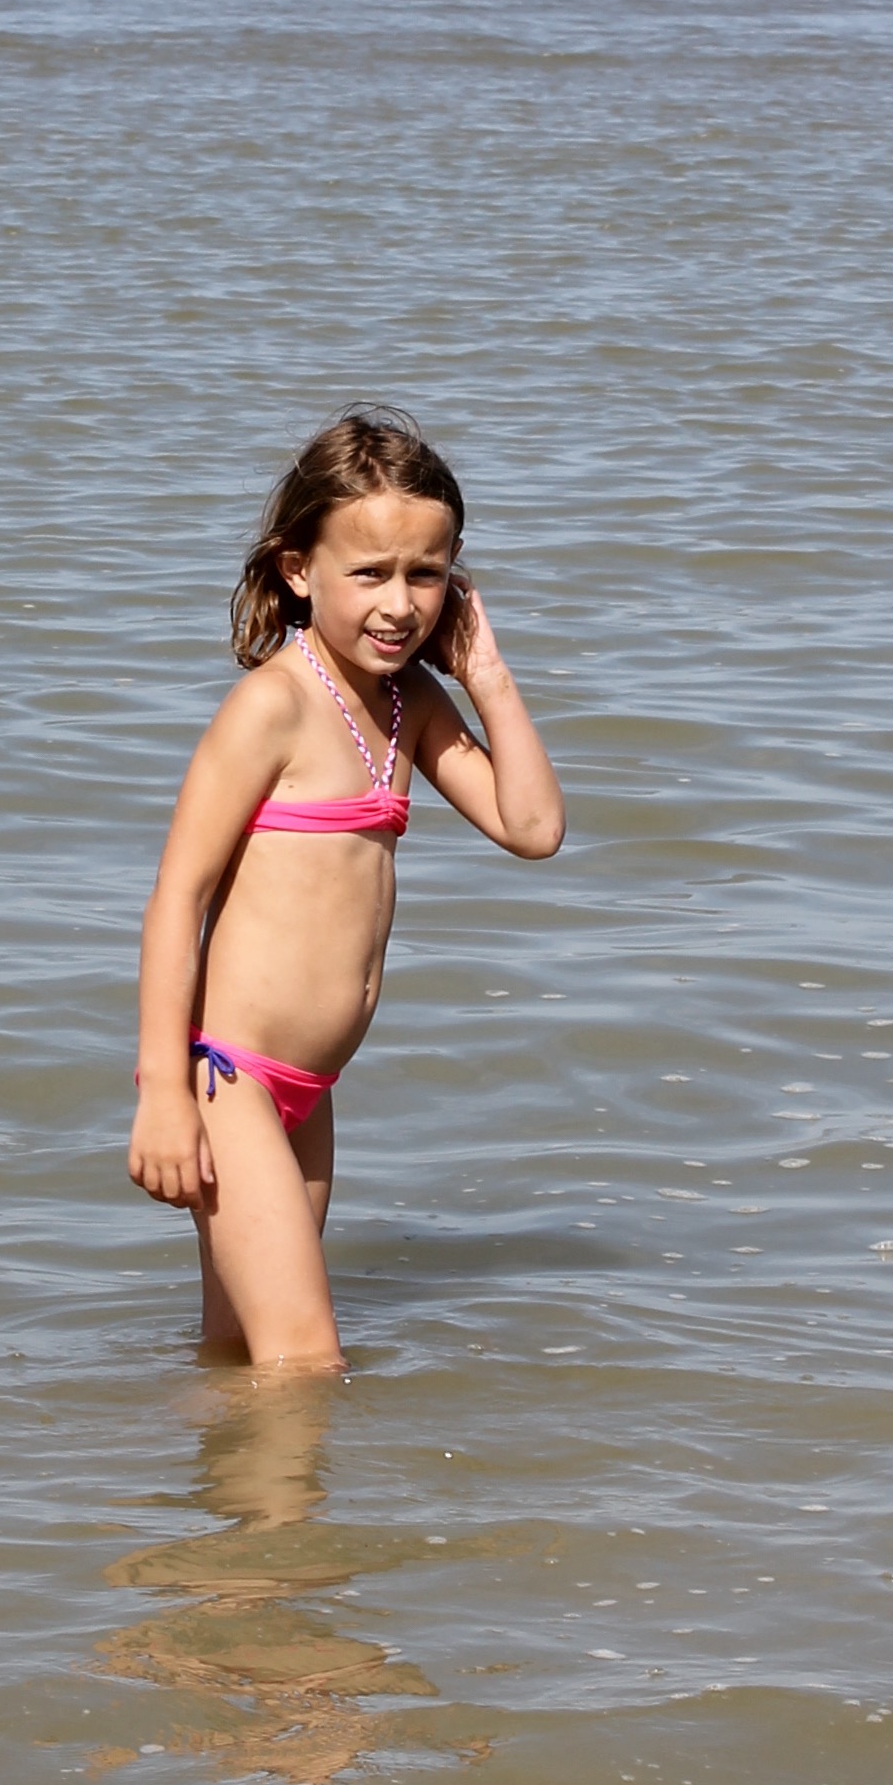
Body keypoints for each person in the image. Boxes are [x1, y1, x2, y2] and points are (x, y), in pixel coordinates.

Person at [128, 412, 565, 1372]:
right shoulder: (273, 706)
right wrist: (163, 1091)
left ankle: (174, 1466)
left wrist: (487, 675)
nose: (399, 605)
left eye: (426, 574)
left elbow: (532, 829)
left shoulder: (411, 705)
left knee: (242, 1355)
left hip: (308, 1092)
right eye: (369, 573)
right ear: (298, 570)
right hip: (230, 1081)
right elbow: (176, 898)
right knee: (307, 1362)